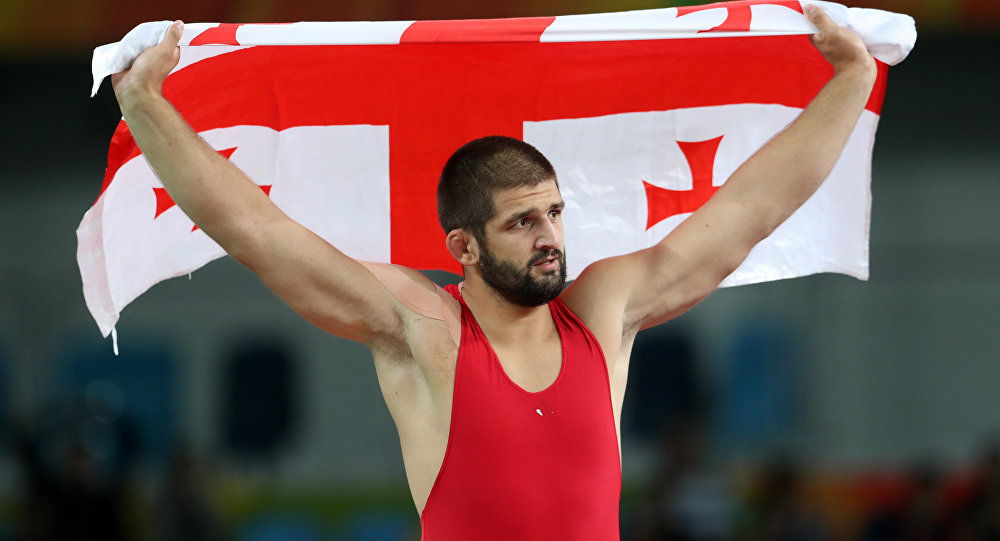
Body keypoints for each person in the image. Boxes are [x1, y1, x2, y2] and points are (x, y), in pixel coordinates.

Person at [110, 5, 876, 539]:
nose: (549, 237)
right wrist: (144, 104)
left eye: (553, 213)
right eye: (521, 221)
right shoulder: (425, 329)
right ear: (464, 247)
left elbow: (747, 213)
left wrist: (849, 81)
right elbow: (257, 232)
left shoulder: (603, 312)